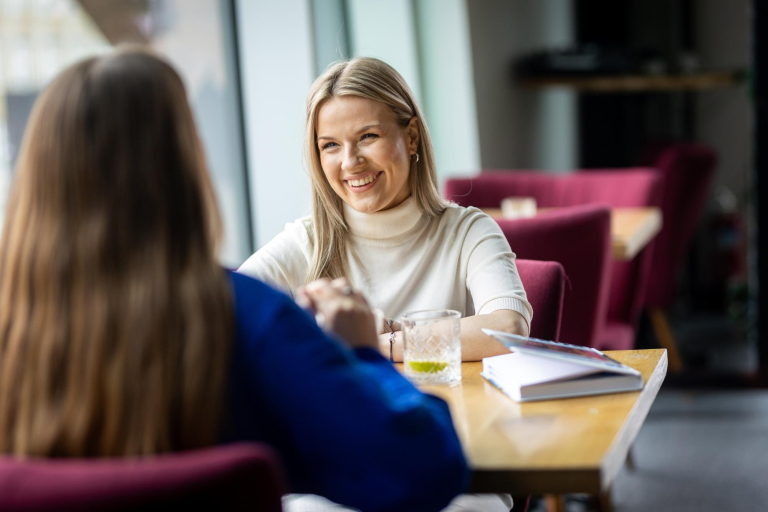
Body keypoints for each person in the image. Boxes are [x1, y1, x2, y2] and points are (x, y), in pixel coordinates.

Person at [0, 48, 468, 512]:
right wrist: (364, 353)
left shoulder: (13, 330)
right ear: (182, 166)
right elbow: (427, 470)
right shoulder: (251, 320)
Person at [239, 57, 533, 511]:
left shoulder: (468, 230)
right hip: (338, 464)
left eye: (368, 137)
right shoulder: (307, 242)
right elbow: (224, 313)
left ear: (411, 136)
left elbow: (508, 327)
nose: (350, 161)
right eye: (330, 145)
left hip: (455, 456)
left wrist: (377, 343)